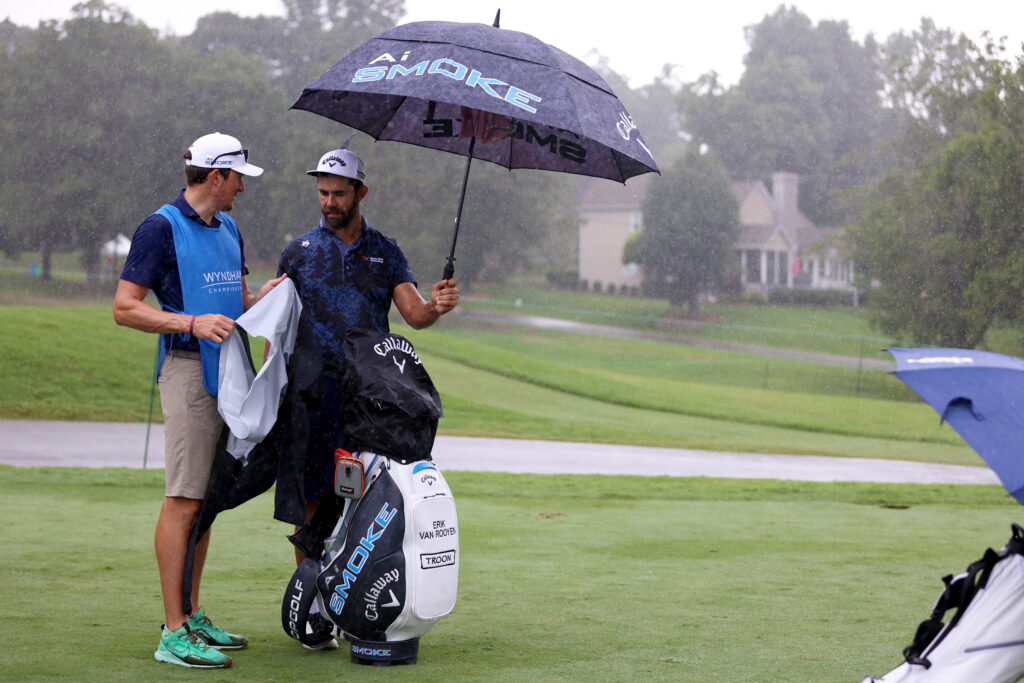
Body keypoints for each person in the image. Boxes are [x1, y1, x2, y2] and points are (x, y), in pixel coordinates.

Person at [113, 132, 285, 669]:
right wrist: (188, 321)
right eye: (237, 179)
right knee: (184, 500)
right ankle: (172, 632)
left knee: (206, 503)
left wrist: (269, 299)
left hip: (231, 374)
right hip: (188, 373)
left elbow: (236, 300)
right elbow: (124, 307)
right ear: (215, 176)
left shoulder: (228, 226)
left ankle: (190, 612)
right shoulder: (159, 228)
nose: (241, 189)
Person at [277, 146, 459, 565]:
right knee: (311, 501)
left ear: (361, 193)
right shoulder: (299, 252)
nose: (329, 202)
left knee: (363, 498)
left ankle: (350, 599)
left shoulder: (386, 252)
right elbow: (278, 327)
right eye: (323, 193)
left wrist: (436, 305)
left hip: (371, 400)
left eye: (339, 194)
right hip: (312, 394)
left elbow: (415, 314)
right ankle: (313, 613)